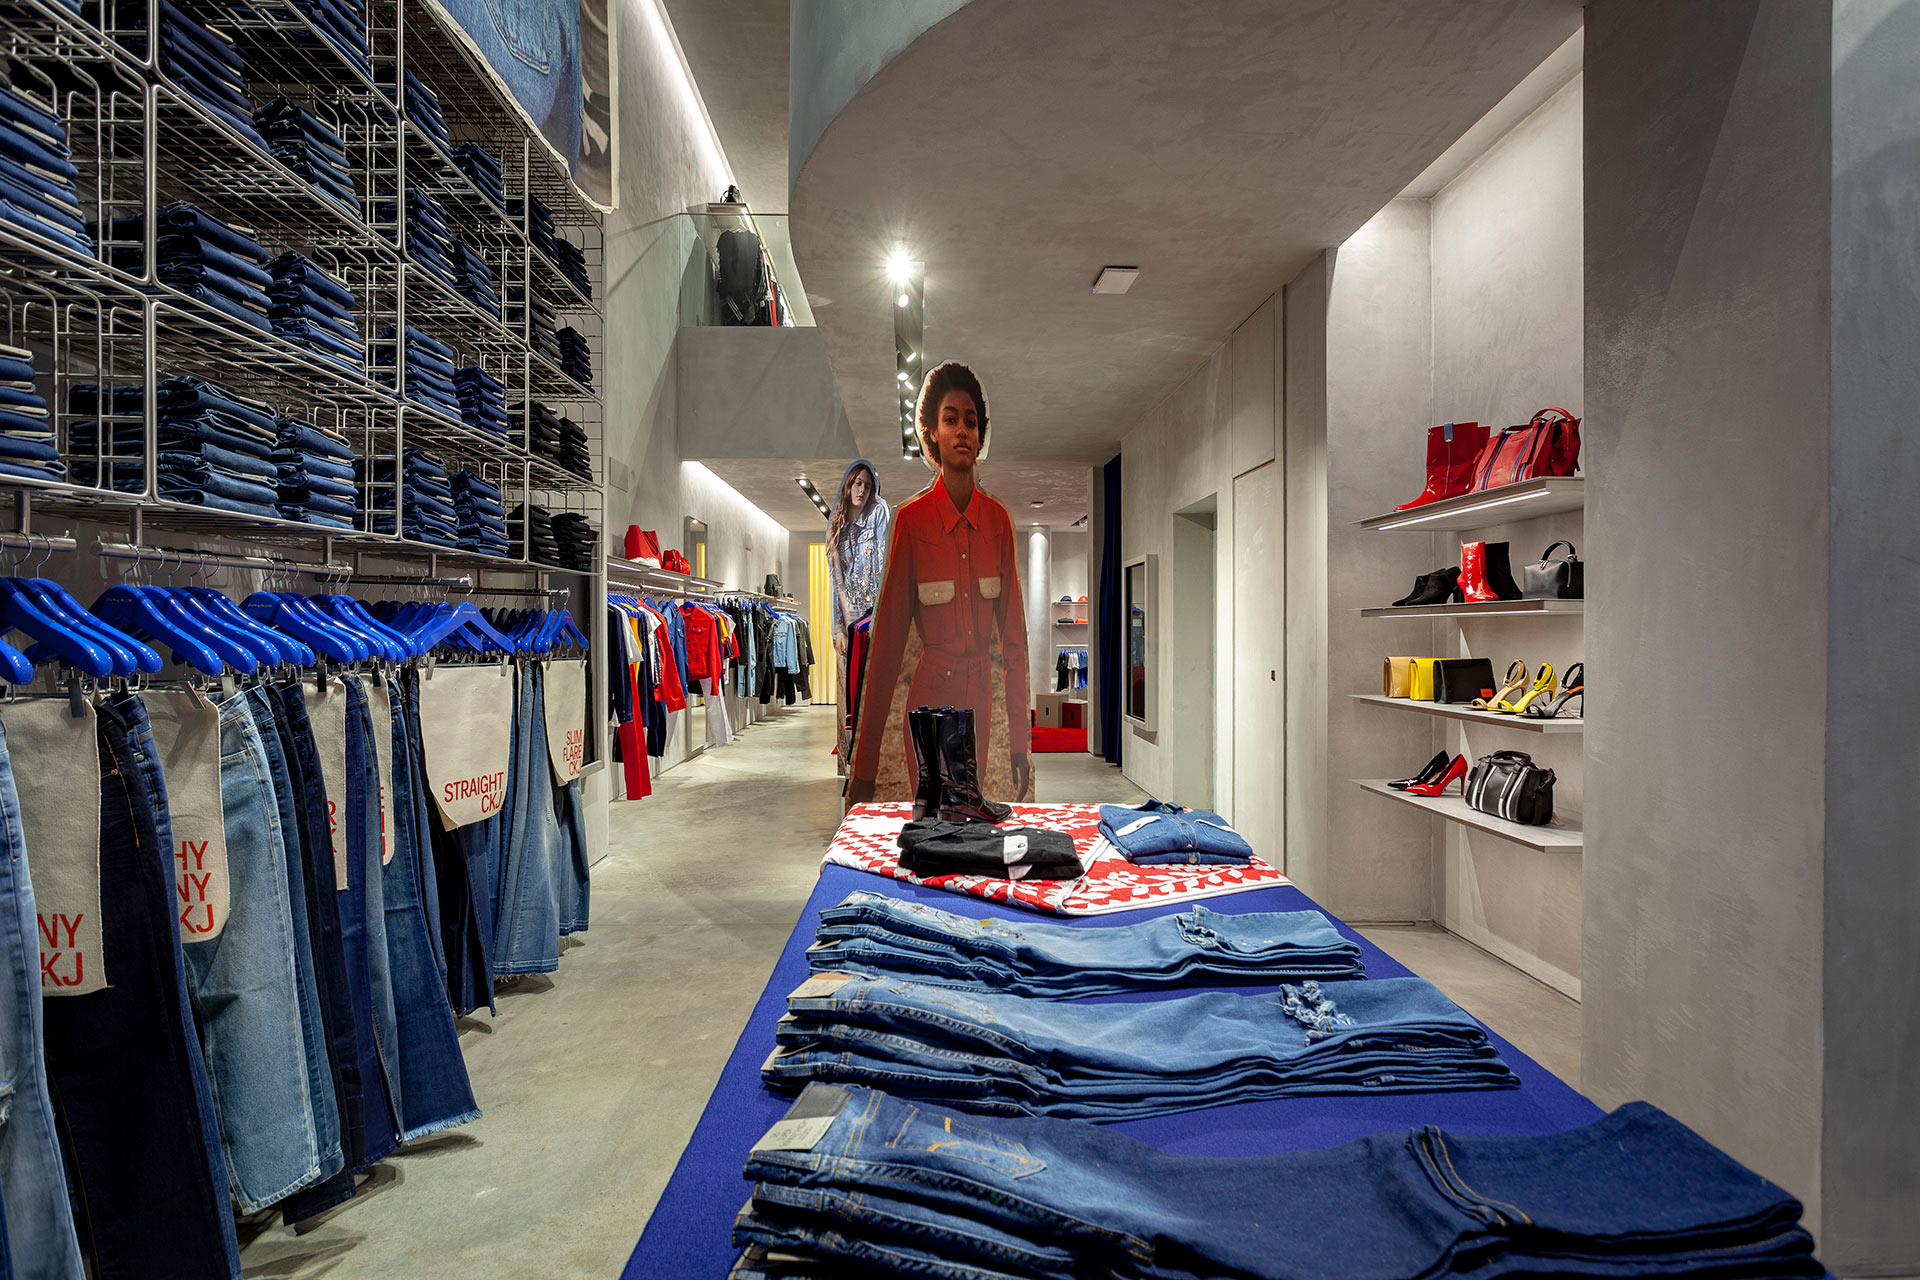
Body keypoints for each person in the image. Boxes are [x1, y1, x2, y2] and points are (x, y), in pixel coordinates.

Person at [848, 361, 1030, 807]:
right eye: (951, 420)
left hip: (980, 700)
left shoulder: (998, 523)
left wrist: (1019, 744)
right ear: (932, 432)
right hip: (929, 697)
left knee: (972, 817)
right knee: (931, 820)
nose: (962, 430)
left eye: (971, 421)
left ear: (981, 435)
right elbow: (886, 648)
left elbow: (1014, 642)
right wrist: (866, 767)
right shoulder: (912, 522)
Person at [827, 460, 890, 774]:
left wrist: (882, 610)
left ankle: (877, 759)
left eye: (867, 484)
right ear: (848, 485)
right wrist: (838, 626)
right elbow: (835, 580)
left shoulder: (878, 512)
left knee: (876, 685)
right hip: (849, 615)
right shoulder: (836, 525)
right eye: (857, 483)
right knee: (848, 689)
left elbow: (883, 560)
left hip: (873, 611)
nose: (862, 490)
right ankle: (851, 763)